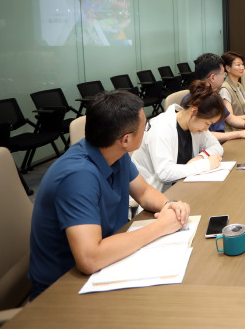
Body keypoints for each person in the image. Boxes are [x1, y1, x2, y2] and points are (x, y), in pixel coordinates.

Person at [28, 91, 191, 299]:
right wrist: (161, 227)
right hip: (64, 290)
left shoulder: (114, 152)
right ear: (125, 140)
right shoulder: (78, 176)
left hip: (108, 263)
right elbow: (90, 259)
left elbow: (144, 192)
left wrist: (170, 205)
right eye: (145, 128)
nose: (146, 131)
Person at [133, 80, 225, 192]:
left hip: (181, 185)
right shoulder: (161, 127)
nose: (207, 128)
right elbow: (164, 173)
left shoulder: (195, 126)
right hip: (153, 192)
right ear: (194, 112)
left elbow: (217, 146)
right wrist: (205, 164)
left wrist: (200, 157)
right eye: (207, 123)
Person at [193, 53, 245, 142]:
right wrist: (240, 133)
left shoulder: (214, 95)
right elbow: (204, 135)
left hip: (222, 141)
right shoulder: (196, 101)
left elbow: (229, 118)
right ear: (213, 77)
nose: (224, 77)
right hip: (215, 144)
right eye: (223, 74)